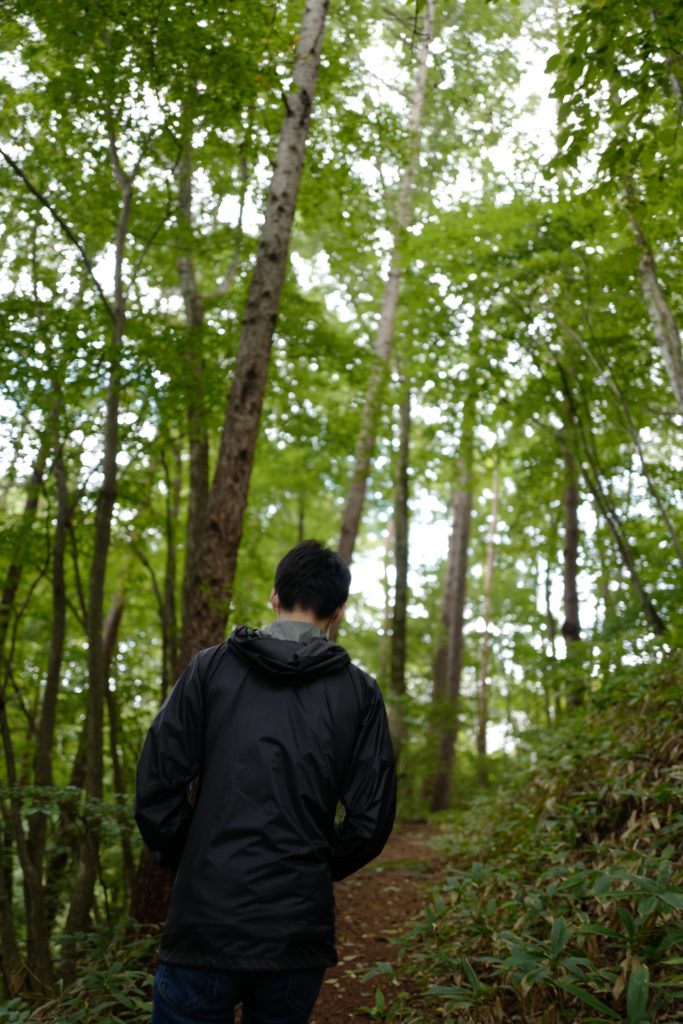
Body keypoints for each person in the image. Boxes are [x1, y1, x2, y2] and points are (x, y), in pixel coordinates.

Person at [135, 539, 397, 1024]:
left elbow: (155, 786)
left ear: (275, 596)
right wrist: (314, 866)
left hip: (204, 922)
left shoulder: (209, 669)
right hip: (296, 930)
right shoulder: (358, 693)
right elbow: (371, 820)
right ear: (338, 611)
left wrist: (192, 859)